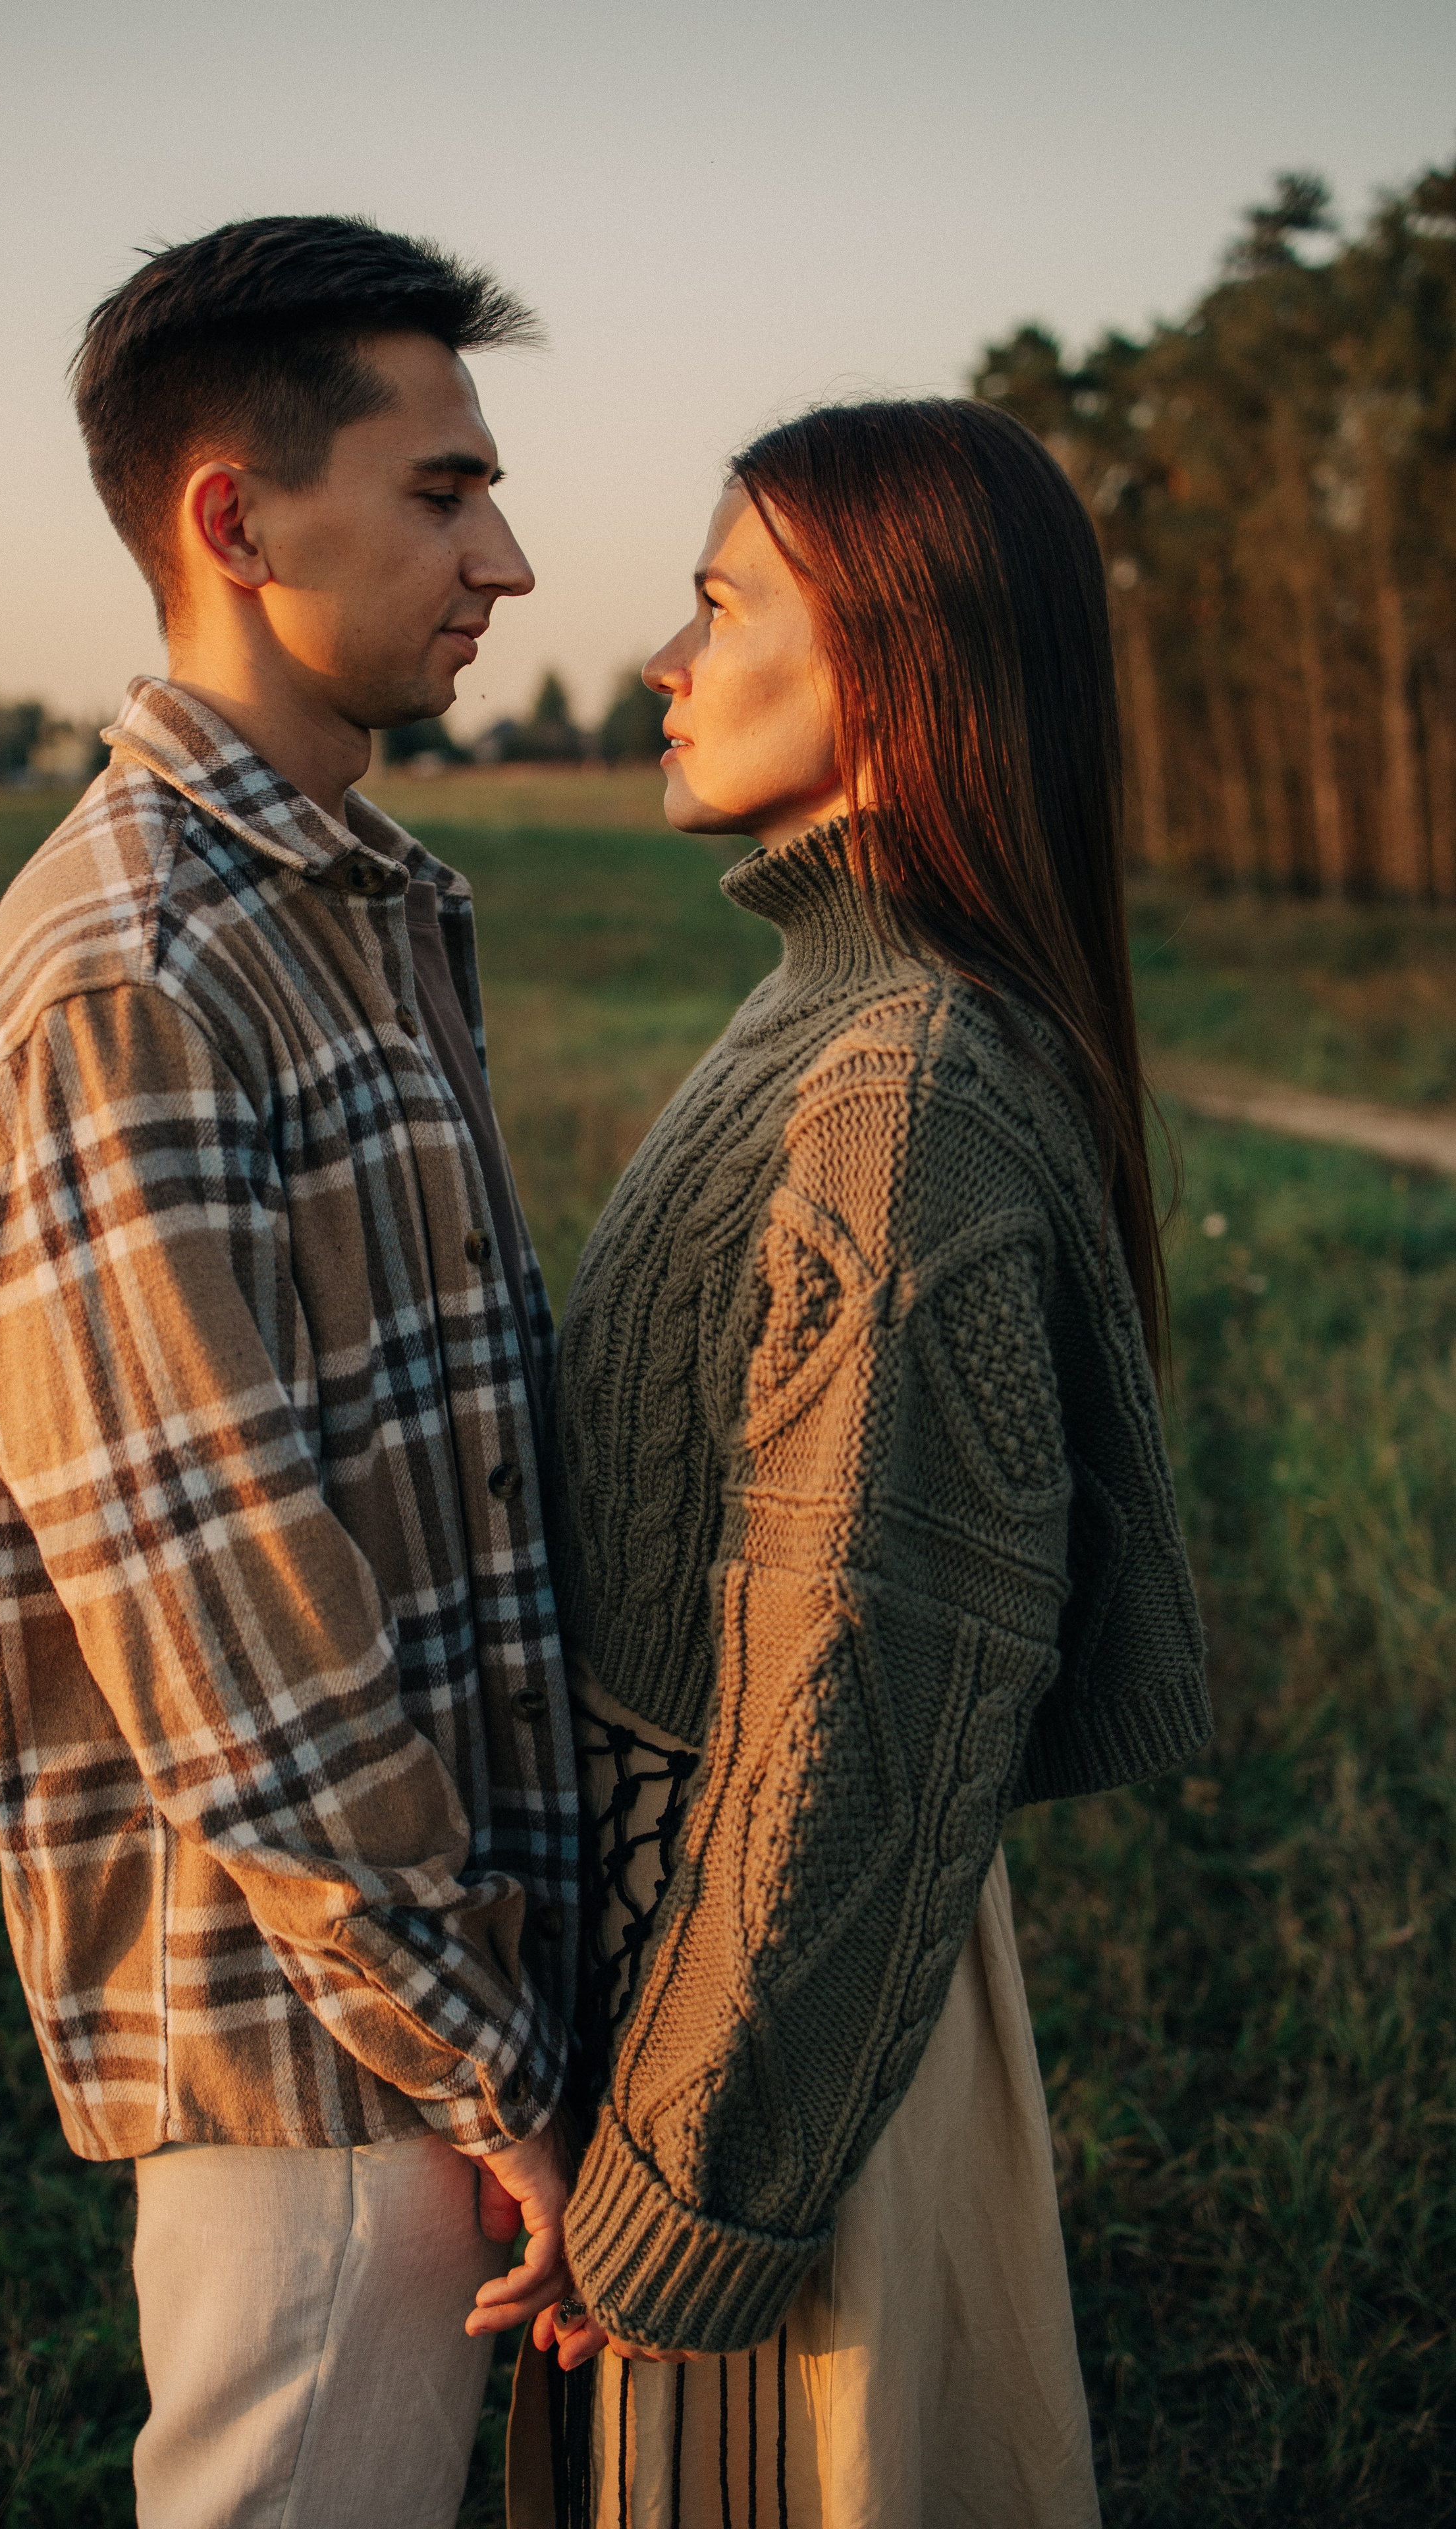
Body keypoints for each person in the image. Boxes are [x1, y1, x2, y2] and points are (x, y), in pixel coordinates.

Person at [0, 215, 581, 2529]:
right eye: (443, 493)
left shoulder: (347, 905)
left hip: (438, 2003)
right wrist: (483, 2062)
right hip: (324, 2066)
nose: (505, 562)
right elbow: (234, 1643)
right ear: (236, 518)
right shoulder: (133, 977)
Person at [483, 398, 1212, 2527]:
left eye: (721, 606)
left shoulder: (903, 1093)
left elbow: (853, 1729)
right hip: (716, 1991)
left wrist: (684, 2192)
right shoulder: (829, 1006)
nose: (663, 660)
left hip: (768, 2045)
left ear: (895, 659)